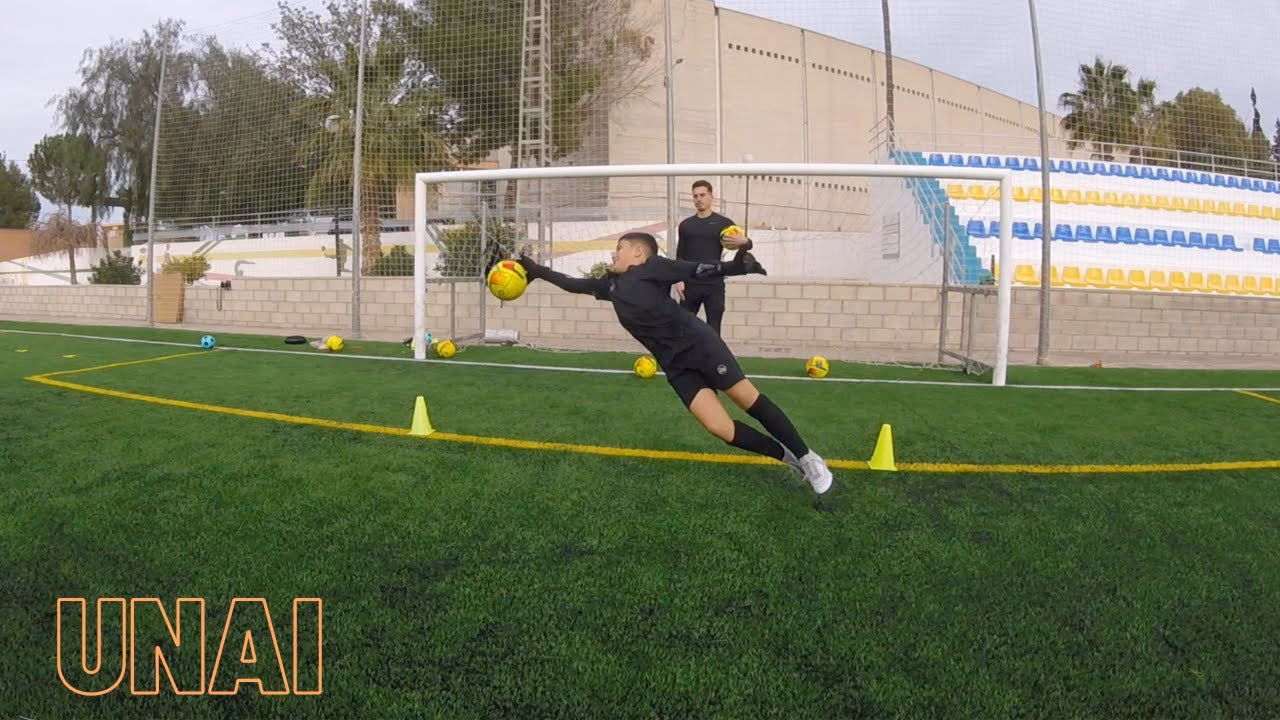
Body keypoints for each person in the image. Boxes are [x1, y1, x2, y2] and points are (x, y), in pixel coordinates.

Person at [516, 231, 834, 494]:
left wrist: (740, 261)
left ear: (639, 253)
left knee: (746, 399)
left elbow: (698, 268)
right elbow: (572, 283)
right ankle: (789, 457)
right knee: (719, 427)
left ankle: (809, 457)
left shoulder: (653, 267)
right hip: (675, 365)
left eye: (619, 249)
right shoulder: (609, 286)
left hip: (699, 344)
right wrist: (535, 270)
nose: (614, 254)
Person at [675, 180, 751, 336]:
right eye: (695, 196)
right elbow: (680, 254)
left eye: (702, 195)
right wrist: (679, 279)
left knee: (714, 330)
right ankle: (684, 360)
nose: (699, 199)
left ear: (711, 196)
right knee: (682, 327)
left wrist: (745, 242)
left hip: (714, 284)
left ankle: (714, 361)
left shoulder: (724, 224)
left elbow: (746, 246)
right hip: (690, 284)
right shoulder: (686, 225)